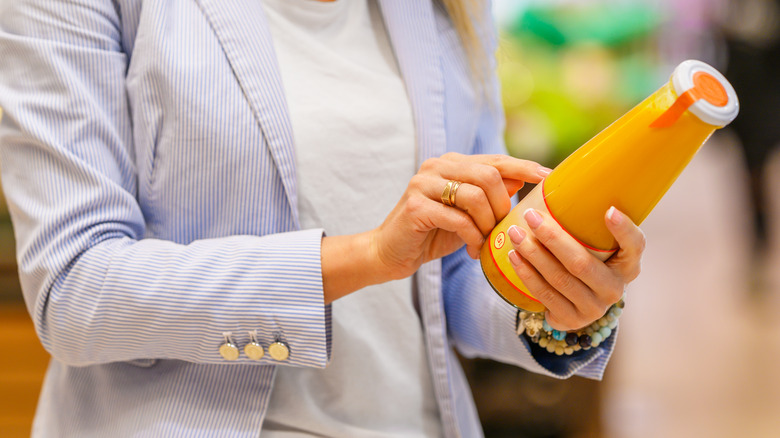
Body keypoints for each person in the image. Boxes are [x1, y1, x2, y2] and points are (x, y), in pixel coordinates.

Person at [0, 0, 645, 436]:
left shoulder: (440, 12)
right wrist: (365, 256)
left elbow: (451, 273)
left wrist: (559, 297)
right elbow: (75, 290)